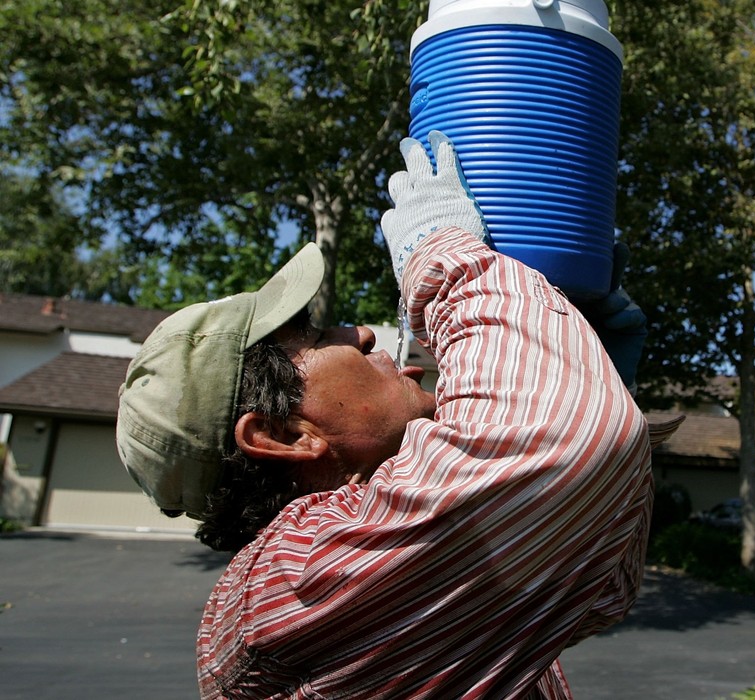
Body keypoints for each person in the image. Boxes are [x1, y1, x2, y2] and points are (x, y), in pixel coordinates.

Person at [116, 131, 678, 698]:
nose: (360, 332)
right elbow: (565, 441)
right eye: (314, 336)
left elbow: (597, 590)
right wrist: (445, 258)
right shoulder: (291, 584)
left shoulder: (383, 560)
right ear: (282, 434)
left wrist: (576, 360)